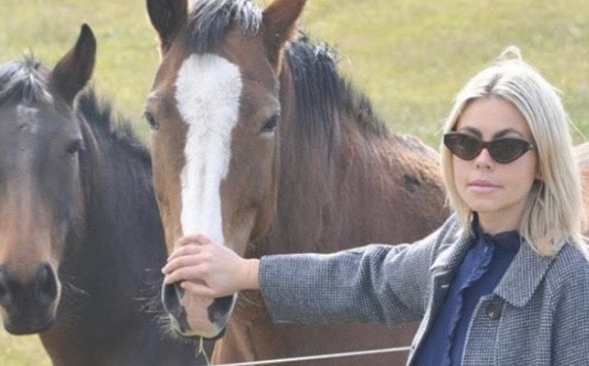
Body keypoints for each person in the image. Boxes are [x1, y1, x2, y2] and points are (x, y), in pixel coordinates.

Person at [162, 47, 589, 365]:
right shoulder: (458, 248)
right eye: (465, 142)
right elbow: (368, 279)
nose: (481, 159)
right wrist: (244, 273)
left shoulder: (572, 279)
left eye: (507, 147)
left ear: (543, 160)